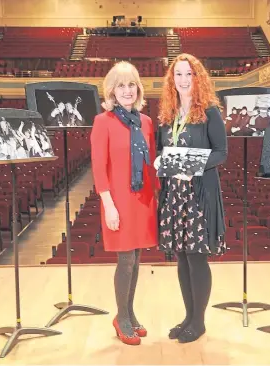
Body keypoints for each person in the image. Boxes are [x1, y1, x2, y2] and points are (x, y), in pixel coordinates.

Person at [155, 53, 228, 343]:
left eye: (189, 74)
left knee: (198, 257)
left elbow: (221, 152)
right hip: (175, 193)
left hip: (199, 193)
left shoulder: (209, 111)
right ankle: (188, 316)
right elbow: (164, 150)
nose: (183, 80)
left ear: (198, 78)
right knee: (182, 257)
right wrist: (161, 161)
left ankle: (199, 321)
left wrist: (188, 165)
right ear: (171, 80)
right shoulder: (167, 114)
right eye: (178, 75)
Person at [90, 61, 159, 346]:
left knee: (137, 257)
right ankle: (122, 317)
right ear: (111, 90)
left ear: (139, 89)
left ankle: (129, 313)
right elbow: (98, 166)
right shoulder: (102, 122)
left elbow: (152, 162)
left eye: (132, 84)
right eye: (121, 85)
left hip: (142, 198)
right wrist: (108, 205)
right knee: (126, 259)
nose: (127, 90)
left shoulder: (146, 122)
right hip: (118, 199)